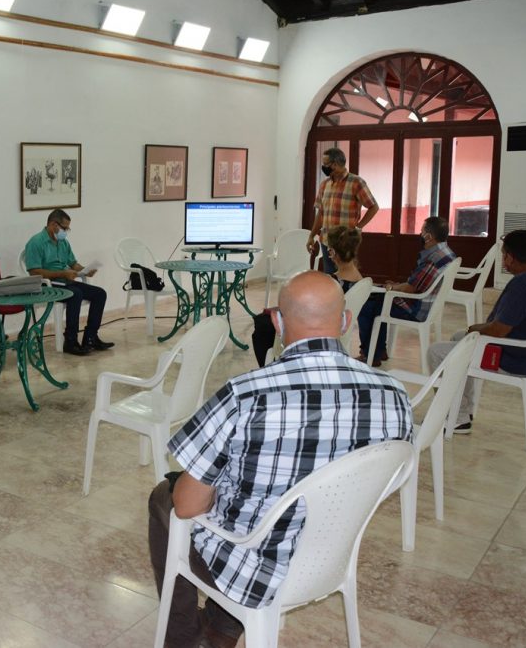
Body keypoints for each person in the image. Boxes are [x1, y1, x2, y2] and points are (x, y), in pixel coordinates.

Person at [149, 271, 412, 647]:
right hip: (330, 557)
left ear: (276, 321)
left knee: (166, 497)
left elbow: (189, 507)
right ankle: (222, 629)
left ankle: (187, 640)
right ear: (345, 321)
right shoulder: (394, 393)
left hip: (255, 569)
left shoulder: (245, 395)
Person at [427, 229, 526, 434]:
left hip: (513, 356)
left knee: (437, 352)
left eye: (503, 256)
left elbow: (497, 330)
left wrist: (472, 330)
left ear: (511, 257)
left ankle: (458, 418)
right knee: (457, 339)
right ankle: (464, 408)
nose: (503, 262)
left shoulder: (524, 284)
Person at [252, 225, 363, 366]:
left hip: (314, 324)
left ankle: (269, 366)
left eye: (329, 250)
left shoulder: (329, 283)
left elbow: (307, 307)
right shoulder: (360, 280)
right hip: (331, 324)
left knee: (262, 324)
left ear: (333, 252)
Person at [357, 216, 457, 366]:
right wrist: (398, 285)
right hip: (428, 303)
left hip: (417, 309)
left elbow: (411, 289)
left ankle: (370, 355)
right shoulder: (447, 252)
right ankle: (378, 351)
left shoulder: (434, 258)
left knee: (367, 305)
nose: (420, 234)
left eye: (422, 231)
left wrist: (391, 288)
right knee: (378, 301)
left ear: (428, 236)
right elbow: (417, 283)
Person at [24, 209, 113, 356]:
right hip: (47, 285)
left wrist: (85, 270)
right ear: (53, 224)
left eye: (67, 228)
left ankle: (91, 337)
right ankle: (70, 341)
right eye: (64, 228)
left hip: (65, 282)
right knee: (75, 294)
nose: (66, 231)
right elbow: (34, 272)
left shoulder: (63, 242)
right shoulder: (36, 242)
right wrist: (62, 273)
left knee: (100, 294)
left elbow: (73, 264)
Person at [306, 147, 379, 274]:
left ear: (335, 164)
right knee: (330, 276)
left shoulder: (356, 182)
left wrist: (358, 227)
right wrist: (312, 235)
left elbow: (373, 207)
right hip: (326, 240)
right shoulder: (324, 185)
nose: (323, 167)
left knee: (345, 276)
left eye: (325, 164)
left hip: (345, 241)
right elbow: (321, 213)